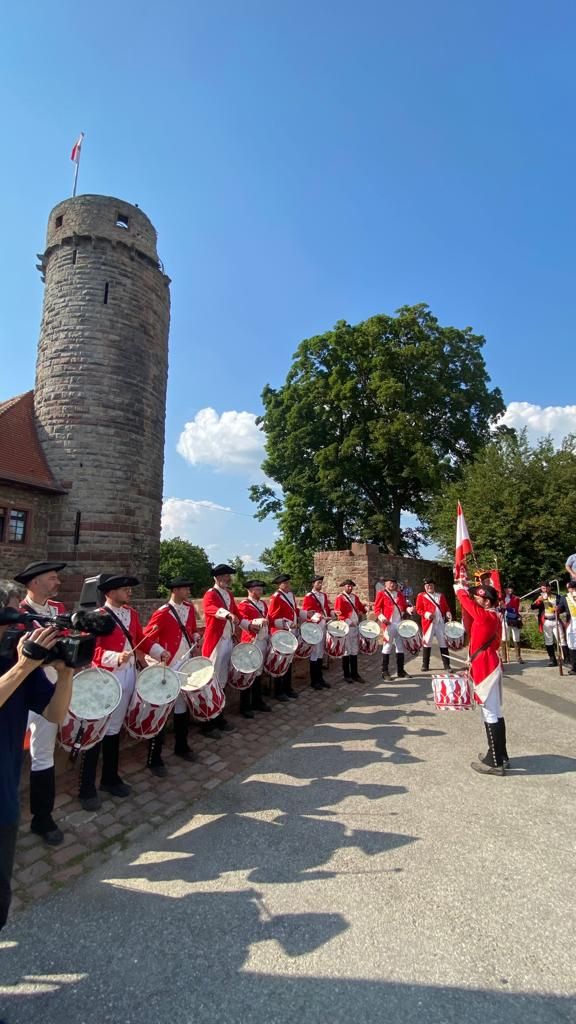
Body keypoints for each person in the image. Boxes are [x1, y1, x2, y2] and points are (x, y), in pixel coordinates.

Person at [0, 587, 73, 930]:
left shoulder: (17, 661)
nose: (18, 626)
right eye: (11, 617)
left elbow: (55, 714)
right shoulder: (20, 664)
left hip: (4, 798)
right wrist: (23, 666)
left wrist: (66, 673)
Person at [78, 575, 167, 809]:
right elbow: (90, 651)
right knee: (95, 730)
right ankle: (86, 788)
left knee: (114, 729)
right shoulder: (96, 617)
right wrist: (115, 657)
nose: (129, 591)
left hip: (128, 676)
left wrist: (159, 651)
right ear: (109, 593)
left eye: (129, 588)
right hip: (106, 678)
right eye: (124, 588)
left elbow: (141, 639)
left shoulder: (132, 614)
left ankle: (109, 778)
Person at [14, 560, 68, 846]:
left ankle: (43, 818)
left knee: (44, 754)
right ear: (34, 582)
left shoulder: (59, 610)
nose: (58, 582)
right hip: (20, 693)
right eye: (52, 578)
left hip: (51, 689)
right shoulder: (17, 613)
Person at [143, 577, 200, 773]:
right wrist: (160, 655)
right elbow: (147, 639)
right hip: (169, 664)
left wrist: (195, 636)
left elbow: (192, 629)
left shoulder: (189, 608)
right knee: (162, 709)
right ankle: (154, 758)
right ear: (175, 590)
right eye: (185, 589)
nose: (188, 592)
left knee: (182, 706)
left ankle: (181, 746)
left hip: (185, 662)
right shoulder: (163, 612)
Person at [454, 575, 509, 776]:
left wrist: (459, 589)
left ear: (487, 602)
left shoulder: (486, 616)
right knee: (495, 712)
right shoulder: (492, 616)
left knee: (490, 712)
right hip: (486, 663)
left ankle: (495, 761)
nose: (475, 600)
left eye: (479, 598)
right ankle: (500, 755)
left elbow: (466, 603)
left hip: (486, 667)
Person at [202, 564, 250, 734]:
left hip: (227, 641)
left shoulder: (229, 594)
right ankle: (207, 722)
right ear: (217, 578)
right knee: (211, 681)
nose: (228, 579)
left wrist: (249, 626)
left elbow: (237, 614)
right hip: (215, 644)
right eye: (224, 576)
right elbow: (210, 609)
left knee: (221, 681)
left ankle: (219, 716)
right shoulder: (210, 594)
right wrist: (227, 614)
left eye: (228, 576)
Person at [237, 580, 272, 716]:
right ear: (250, 590)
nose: (260, 591)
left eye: (260, 589)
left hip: (262, 640)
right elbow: (242, 622)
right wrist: (257, 621)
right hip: (251, 642)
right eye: (257, 589)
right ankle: (245, 706)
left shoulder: (263, 604)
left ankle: (257, 701)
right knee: (247, 673)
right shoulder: (244, 605)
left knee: (258, 673)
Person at [267, 574, 302, 702]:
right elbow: (272, 618)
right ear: (279, 585)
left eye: (288, 583)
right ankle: (278, 691)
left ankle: (288, 688)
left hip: (290, 632)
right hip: (280, 633)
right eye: (285, 583)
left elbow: (295, 611)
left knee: (289, 660)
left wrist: (305, 614)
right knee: (279, 661)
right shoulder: (275, 597)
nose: (288, 585)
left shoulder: (291, 595)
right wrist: (287, 623)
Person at [374, 575, 413, 680]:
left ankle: (401, 671)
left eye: (394, 583)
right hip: (389, 624)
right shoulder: (381, 594)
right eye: (390, 583)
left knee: (400, 647)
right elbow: (377, 609)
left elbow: (404, 606)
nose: (392, 584)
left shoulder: (399, 594)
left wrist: (409, 610)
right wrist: (383, 619)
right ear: (385, 584)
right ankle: (385, 672)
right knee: (387, 647)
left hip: (399, 624)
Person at [301, 575, 332, 690]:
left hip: (323, 626)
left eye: (321, 582)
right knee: (314, 654)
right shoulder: (308, 596)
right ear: (313, 584)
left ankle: (320, 678)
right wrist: (321, 617)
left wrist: (331, 614)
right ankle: (314, 681)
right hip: (314, 628)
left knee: (320, 653)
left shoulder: (323, 595)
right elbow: (307, 612)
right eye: (318, 582)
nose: (320, 584)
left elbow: (326, 608)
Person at [414, 578, 451, 672]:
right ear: (424, 587)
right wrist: (427, 614)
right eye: (427, 585)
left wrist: (447, 612)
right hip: (428, 623)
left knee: (443, 643)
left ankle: (447, 665)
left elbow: (446, 607)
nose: (429, 587)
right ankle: (425, 665)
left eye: (431, 585)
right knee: (427, 643)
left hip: (440, 622)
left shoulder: (440, 595)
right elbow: (418, 609)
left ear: (434, 586)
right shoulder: (421, 596)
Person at [334, 580, 367, 683]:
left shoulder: (355, 597)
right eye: (348, 586)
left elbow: (361, 608)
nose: (350, 588)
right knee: (346, 651)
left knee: (354, 650)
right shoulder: (340, 598)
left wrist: (365, 608)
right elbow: (338, 613)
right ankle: (347, 675)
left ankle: (355, 674)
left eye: (351, 586)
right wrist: (349, 622)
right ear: (344, 587)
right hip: (346, 627)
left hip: (355, 627)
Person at [530, 582, 568, 668]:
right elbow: (533, 607)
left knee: (562, 639)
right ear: (541, 589)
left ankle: (566, 659)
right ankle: (552, 659)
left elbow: (563, 607)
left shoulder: (556, 596)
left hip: (556, 620)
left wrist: (559, 609)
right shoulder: (539, 596)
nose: (545, 589)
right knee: (548, 640)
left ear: (550, 587)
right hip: (546, 621)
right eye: (543, 588)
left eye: (546, 587)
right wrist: (539, 600)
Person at [501, 583, 524, 664]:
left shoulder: (516, 598)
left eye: (511, 588)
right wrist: (502, 606)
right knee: (504, 638)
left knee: (516, 638)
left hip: (514, 619)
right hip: (505, 619)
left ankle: (518, 657)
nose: (510, 590)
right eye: (508, 588)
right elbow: (499, 608)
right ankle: (504, 657)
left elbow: (515, 609)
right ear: (505, 589)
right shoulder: (501, 598)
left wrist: (506, 606)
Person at [558, 580, 576, 675]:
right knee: (571, 644)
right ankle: (574, 667)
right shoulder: (565, 597)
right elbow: (561, 608)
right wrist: (557, 609)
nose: (571, 590)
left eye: (573, 588)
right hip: (571, 623)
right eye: (569, 588)